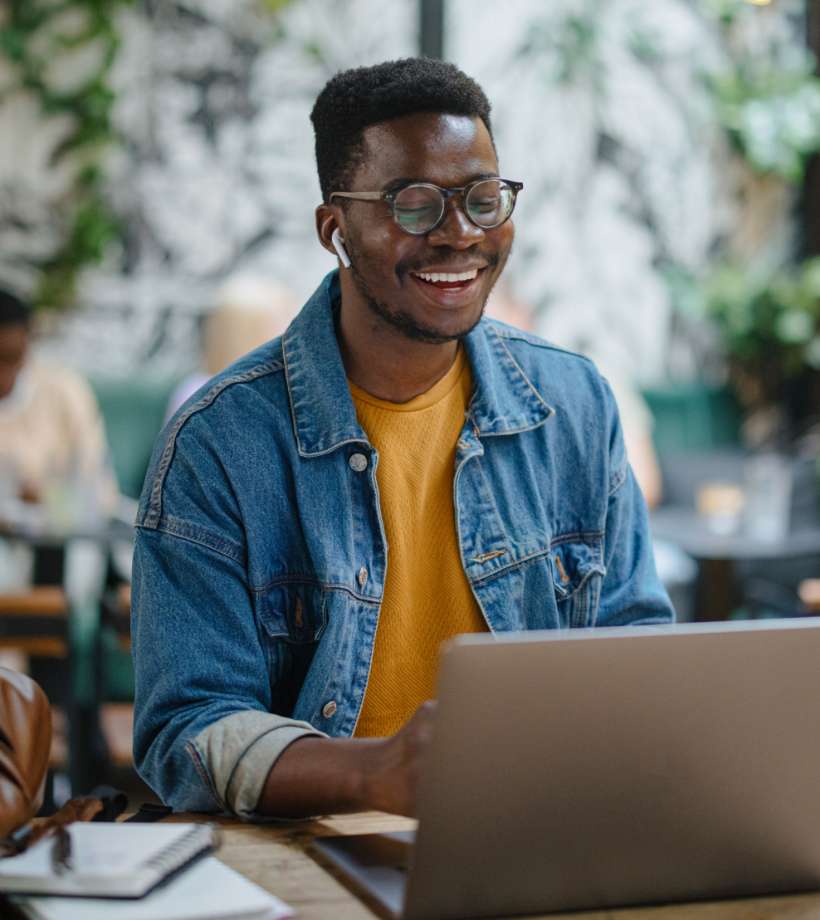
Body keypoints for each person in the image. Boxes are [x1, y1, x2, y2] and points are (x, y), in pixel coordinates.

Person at [132, 58, 674, 821]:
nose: (460, 235)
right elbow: (186, 729)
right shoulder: (219, 443)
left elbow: (635, 648)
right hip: (314, 848)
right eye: (414, 204)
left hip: (539, 825)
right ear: (335, 229)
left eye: (483, 199)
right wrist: (372, 773)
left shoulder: (573, 404)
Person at [0, 288, 117, 519]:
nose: (3, 374)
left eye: (11, 359)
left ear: (27, 341)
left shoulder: (66, 392)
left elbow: (100, 491)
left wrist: (43, 495)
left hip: (54, 544)